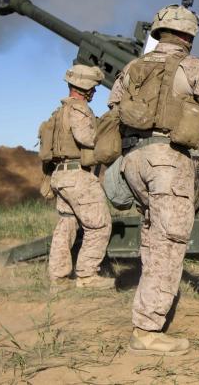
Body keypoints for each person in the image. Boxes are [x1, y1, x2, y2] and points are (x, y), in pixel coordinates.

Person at [108, 2, 199, 356]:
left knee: (153, 238)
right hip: (168, 162)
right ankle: (147, 330)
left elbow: (113, 107)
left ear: (158, 32)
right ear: (189, 36)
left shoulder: (132, 67)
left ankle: (147, 314)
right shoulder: (194, 68)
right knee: (169, 243)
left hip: (135, 160)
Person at [46, 64, 114, 290]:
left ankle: (59, 278)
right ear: (85, 87)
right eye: (93, 88)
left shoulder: (59, 112)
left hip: (61, 175)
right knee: (99, 225)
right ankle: (87, 276)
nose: (94, 92)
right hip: (78, 176)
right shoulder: (79, 109)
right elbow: (87, 137)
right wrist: (106, 128)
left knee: (66, 225)